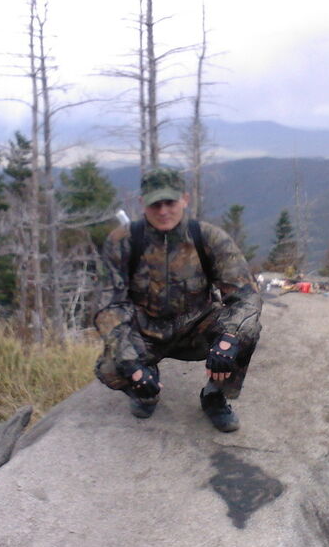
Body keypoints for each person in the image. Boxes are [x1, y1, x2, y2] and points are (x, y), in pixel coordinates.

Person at [94, 168, 262, 432]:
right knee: (110, 367)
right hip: (145, 330)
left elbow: (246, 295)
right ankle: (146, 388)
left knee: (245, 335)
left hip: (197, 325)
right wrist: (132, 365)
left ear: (184, 199)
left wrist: (229, 338)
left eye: (170, 202)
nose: (163, 211)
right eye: (155, 204)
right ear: (142, 203)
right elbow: (109, 307)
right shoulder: (122, 242)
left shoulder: (208, 237)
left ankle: (215, 395)